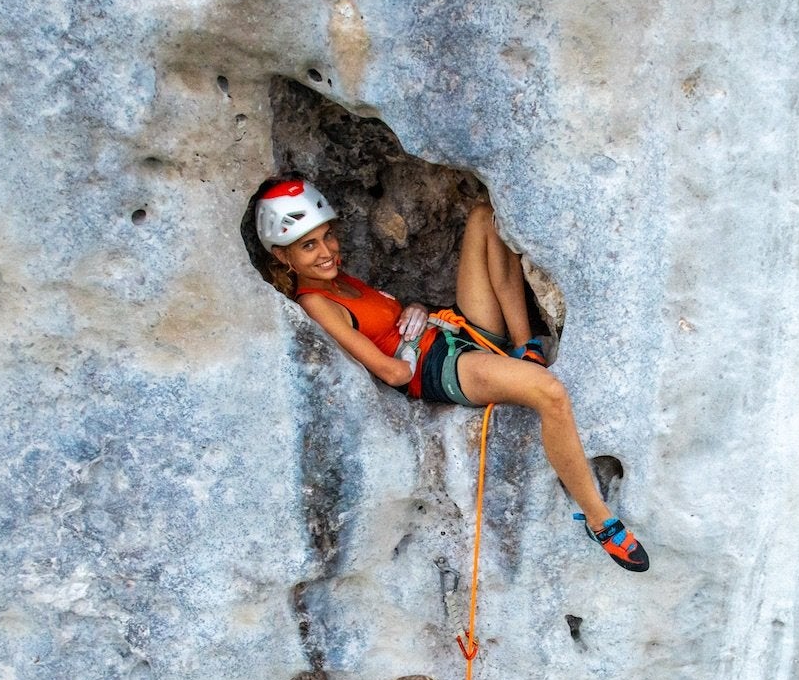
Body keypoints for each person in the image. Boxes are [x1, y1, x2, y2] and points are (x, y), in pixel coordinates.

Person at [253, 177, 648, 572]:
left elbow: (388, 317)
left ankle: (525, 344)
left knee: (484, 218)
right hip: (440, 367)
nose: (327, 251)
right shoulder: (316, 301)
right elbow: (390, 371)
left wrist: (419, 309)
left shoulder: (339, 280)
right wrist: (419, 345)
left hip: (450, 335)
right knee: (550, 393)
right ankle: (599, 520)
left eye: (327, 237)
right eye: (309, 245)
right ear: (282, 257)